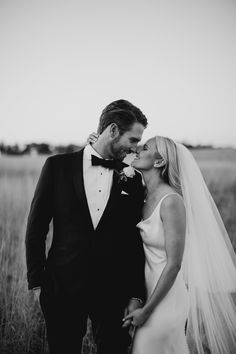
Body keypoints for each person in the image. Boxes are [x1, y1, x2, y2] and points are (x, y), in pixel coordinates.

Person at [25, 99, 148, 354]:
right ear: (113, 130)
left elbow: (134, 240)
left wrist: (136, 295)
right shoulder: (57, 167)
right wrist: (38, 283)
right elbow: (36, 229)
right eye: (133, 140)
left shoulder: (133, 179)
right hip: (62, 289)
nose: (135, 148)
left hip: (114, 292)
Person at [123, 136, 236, 354]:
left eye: (145, 147)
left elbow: (174, 264)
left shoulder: (171, 201)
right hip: (145, 295)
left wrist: (147, 311)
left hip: (165, 300)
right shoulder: (143, 195)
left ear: (158, 162)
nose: (137, 149)